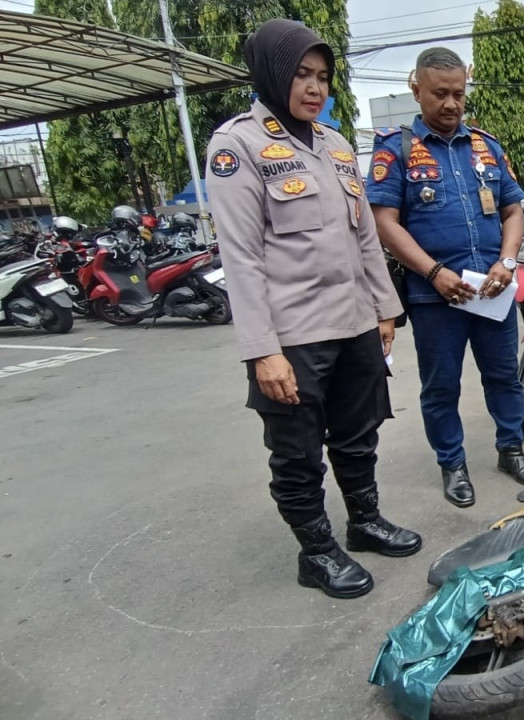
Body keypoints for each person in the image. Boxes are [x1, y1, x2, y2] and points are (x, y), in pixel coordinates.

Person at [206, 19, 420, 600]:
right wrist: (262, 350)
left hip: (353, 323)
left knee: (359, 433)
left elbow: (363, 239)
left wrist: (384, 309)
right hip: (292, 336)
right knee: (297, 451)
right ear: (274, 74)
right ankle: (317, 551)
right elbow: (242, 257)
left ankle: (365, 521)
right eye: (302, 74)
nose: (314, 87)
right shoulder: (238, 146)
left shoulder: (336, 145)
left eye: (323, 77)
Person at [366, 47, 524, 509]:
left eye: (458, 94)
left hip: (492, 289)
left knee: (505, 376)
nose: (450, 104)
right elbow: (385, 222)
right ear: (417, 89)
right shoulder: (396, 149)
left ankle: (511, 449)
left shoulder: (487, 146)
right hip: (435, 298)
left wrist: (506, 262)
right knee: (441, 385)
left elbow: (512, 210)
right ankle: (453, 464)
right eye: (439, 94)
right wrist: (433, 272)